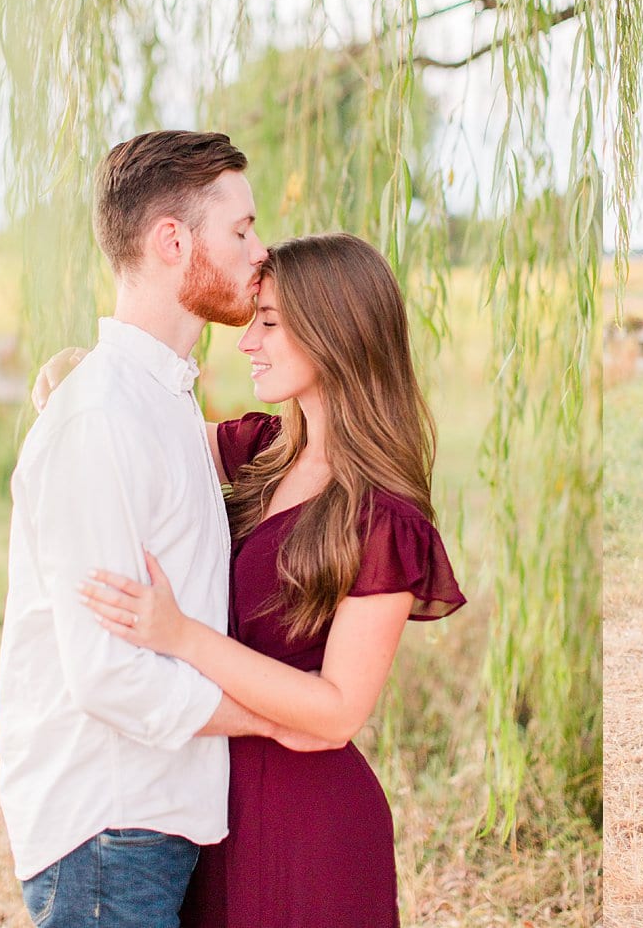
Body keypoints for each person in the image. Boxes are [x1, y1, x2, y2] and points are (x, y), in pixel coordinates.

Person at [75, 232, 466, 928]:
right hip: (206, 805)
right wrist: (73, 378)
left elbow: (340, 708)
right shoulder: (259, 452)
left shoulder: (380, 517)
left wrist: (181, 635)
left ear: (336, 332)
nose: (247, 341)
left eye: (270, 322)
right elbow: (127, 427)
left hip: (307, 821)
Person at [0, 130, 332, 928]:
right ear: (172, 241)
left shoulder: (159, 402)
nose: (261, 251)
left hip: (148, 817)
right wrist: (277, 715)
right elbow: (108, 673)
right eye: (242, 229)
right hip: (107, 824)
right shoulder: (103, 418)